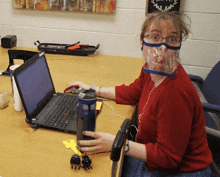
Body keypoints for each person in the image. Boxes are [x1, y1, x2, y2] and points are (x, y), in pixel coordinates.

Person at [67, 11, 213, 176]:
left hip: (181, 170)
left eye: (172, 39)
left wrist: (119, 143)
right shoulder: (151, 69)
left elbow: (168, 158)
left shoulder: (174, 92)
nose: (163, 47)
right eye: (155, 37)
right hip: (155, 156)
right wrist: (94, 89)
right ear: (142, 41)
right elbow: (131, 92)